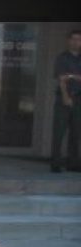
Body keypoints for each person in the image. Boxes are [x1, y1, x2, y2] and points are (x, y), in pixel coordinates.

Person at [51, 29, 81, 173]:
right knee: (59, 132)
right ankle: (55, 163)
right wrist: (65, 97)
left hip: (79, 99)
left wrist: (72, 76)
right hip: (64, 98)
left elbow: (72, 77)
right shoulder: (62, 58)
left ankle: (73, 163)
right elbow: (61, 79)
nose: (76, 42)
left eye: (79, 39)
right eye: (74, 39)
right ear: (68, 40)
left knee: (76, 133)